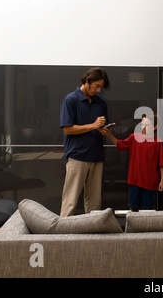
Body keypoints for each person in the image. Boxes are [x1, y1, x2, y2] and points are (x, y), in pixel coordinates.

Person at [59, 67, 110, 216]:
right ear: (87, 81)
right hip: (77, 156)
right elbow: (67, 129)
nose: (99, 90)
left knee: (95, 205)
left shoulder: (101, 102)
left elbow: (101, 127)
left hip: (96, 156)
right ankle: (63, 236)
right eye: (97, 86)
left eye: (101, 87)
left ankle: (92, 237)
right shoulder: (70, 100)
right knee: (70, 203)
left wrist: (103, 130)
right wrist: (93, 126)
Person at [106, 114, 163, 211]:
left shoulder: (158, 142)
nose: (143, 127)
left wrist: (162, 180)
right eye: (142, 124)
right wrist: (108, 134)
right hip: (135, 180)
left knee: (148, 210)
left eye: (147, 125)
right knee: (133, 208)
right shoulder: (134, 137)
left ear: (155, 127)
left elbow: (162, 163)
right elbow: (120, 144)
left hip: (150, 182)